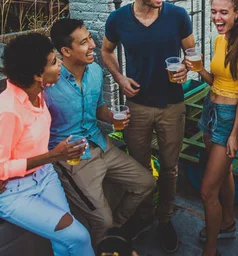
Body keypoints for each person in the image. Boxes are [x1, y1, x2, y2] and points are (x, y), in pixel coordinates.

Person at [101, 0, 195, 253]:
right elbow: (106, 50)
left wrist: (186, 68)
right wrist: (119, 77)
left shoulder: (177, 15)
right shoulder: (118, 20)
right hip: (137, 106)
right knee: (139, 168)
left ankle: (165, 220)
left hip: (172, 105)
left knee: (169, 168)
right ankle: (143, 218)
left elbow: (191, 51)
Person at [0, 33, 94, 256]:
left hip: (45, 177)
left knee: (63, 242)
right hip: (15, 193)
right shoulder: (8, 110)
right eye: (54, 61)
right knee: (78, 236)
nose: (60, 64)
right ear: (36, 75)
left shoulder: (39, 92)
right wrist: (53, 155)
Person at [46, 18, 156, 246]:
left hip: (101, 143)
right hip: (73, 159)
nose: (93, 45)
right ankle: (105, 237)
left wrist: (112, 116)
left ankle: (117, 228)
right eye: (84, 42)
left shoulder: (95, 70)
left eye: (90, 39)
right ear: (66, 51)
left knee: (146, 183)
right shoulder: (49, 83)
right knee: (101, 221)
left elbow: (99, 108)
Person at [187, 0, 238, 256]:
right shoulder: (220, 41)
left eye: (224, 12)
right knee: (224, 172)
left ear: (237, 14)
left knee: (207, 190)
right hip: (210, 111)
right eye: (214, 11)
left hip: (229, 119)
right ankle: (227, 222)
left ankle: (211, 248)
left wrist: (235, 133)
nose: (217, 17)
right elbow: (215, 82)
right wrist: (199, 69)